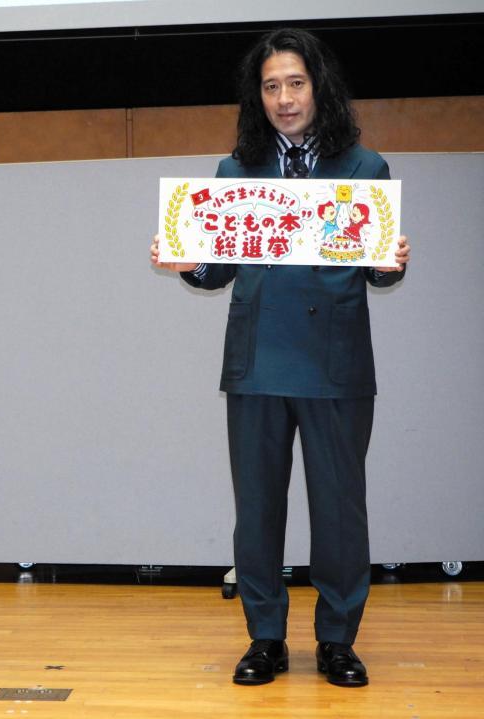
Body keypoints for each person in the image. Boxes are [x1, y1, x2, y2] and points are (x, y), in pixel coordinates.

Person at [151, 28, 410, 687]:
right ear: (257, 96)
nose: (284, 97)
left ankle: (336, 639)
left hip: (336, 362)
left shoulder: (365, 168)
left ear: (319, 87)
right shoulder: (236, 171)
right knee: (258, 508)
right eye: (271, 86)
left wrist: (388, 265)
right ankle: (265, 636)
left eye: (295, 83)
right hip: (258, 359)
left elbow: (376, 268)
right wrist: (186, 263)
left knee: (340, 512)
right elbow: (216, 270)